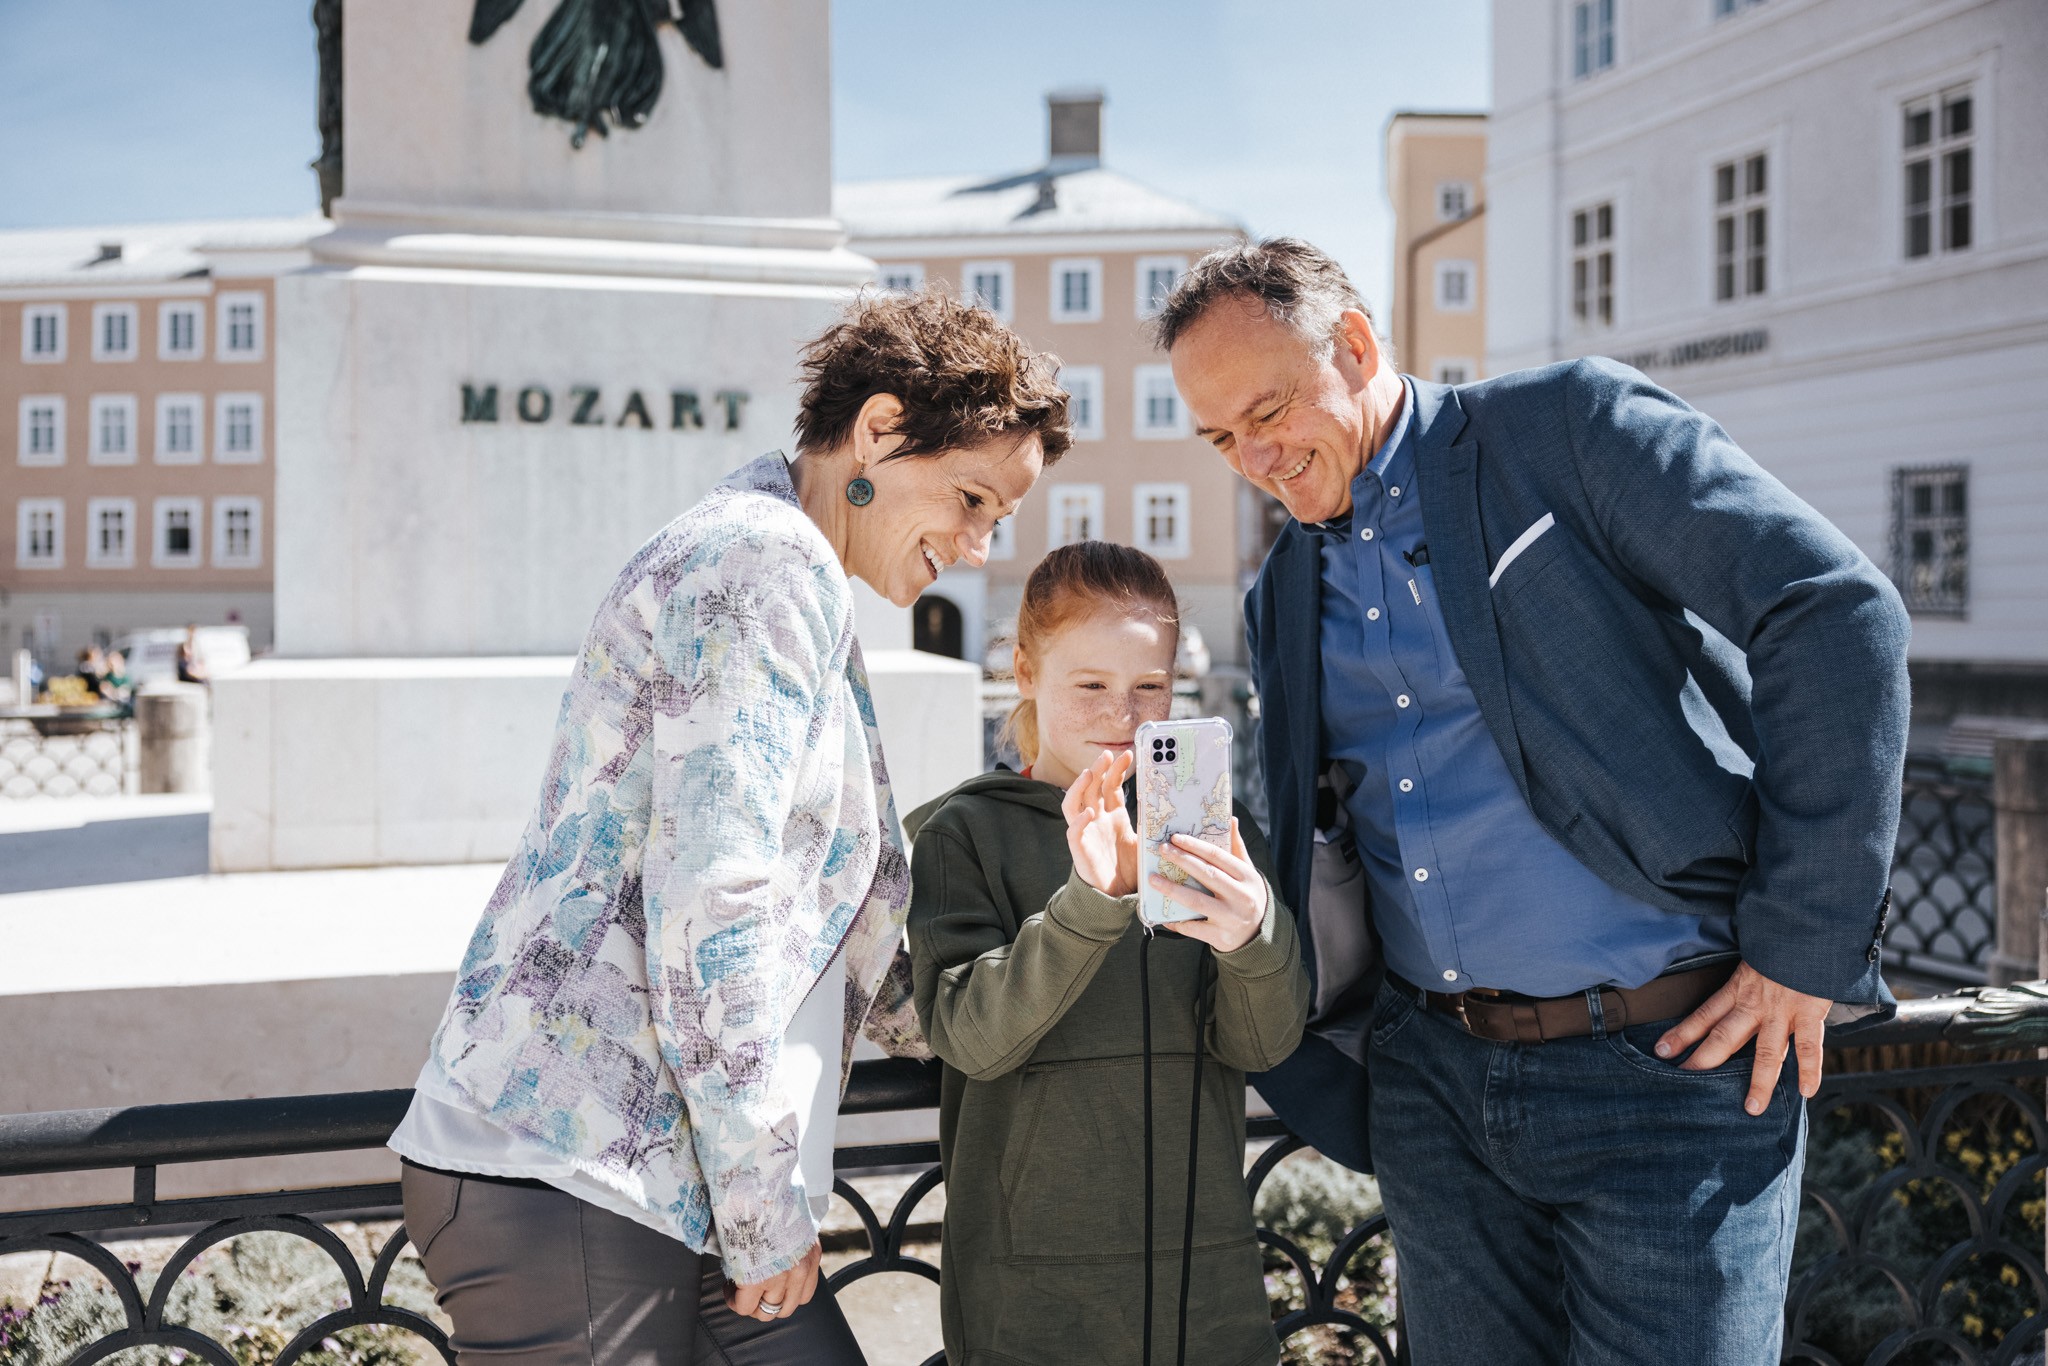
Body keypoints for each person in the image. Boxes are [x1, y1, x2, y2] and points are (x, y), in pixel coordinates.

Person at [1156, 238, 1911, 1365]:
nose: (1255, 455)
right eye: (1220, 439)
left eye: (1267, 408)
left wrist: (1801, 946)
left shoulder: (1566, 428)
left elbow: (1831, 607)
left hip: (1670, 1070)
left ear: (1355, 346)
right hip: (1436, 1094)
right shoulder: (1281, 592)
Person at [389, 288, 1071, 1366]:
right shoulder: (761, 564)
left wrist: (1046, 969)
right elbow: (716, 905)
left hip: (658, 1183)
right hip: (579, 1178)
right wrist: (762, 1211)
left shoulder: (769, 557)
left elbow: (807, 926)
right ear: (880, 430)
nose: (981, 546)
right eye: (972, 498)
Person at [905, 542, 1309, 1366]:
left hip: (1206, 1291)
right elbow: (971, 1036)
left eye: (1149, 687)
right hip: (1030, 1304)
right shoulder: (966, 834)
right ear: (1024, 670)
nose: (1123, 716)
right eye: (1090, 685)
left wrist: (1251, 936)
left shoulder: (1214, 833)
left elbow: (1262, 1045)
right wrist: (1089, 905)